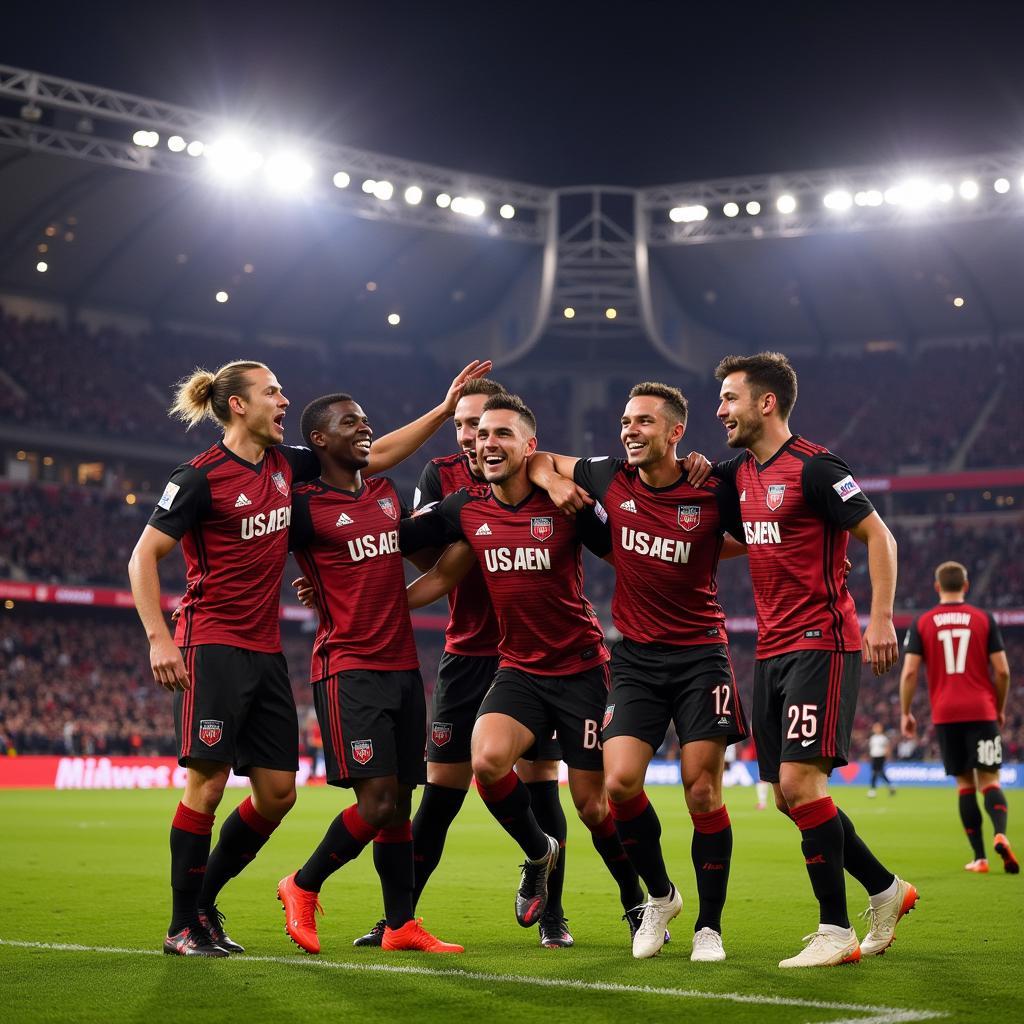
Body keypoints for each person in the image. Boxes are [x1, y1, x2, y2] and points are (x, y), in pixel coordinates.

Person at [128, 356, 490, 956]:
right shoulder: (197, 478)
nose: (284, 401)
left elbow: (374, 456)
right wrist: (157, 638)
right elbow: (144, 557)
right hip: (210, 642)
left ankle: (210, 905)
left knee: (277, 794)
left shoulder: (286, 466)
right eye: (273, 392)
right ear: (239, 404)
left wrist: (445, 409)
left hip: (266, 649)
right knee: (208, 785)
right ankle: (182, 924)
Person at [400, 393, 647, 942]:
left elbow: (631, 552)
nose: (486, 443)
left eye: (500, 434)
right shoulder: (463, 506)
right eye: (478, 433)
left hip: (579, 666)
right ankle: (538, 854)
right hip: (514, 667)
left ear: (530, 447)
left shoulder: (566, 504)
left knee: (590, 803)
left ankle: (637, 900)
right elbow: (401, 548)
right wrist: (337, 580)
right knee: (486, 762)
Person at [345, 378, 575, 949]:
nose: (472, 436)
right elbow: (417, 545)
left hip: (533, 656)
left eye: (483, 424)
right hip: (468, 652)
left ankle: (554, 916)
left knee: (541, 786)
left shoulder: (539, 473)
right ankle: (399, 917)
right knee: (440, 795)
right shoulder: (443, 481)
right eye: (463, 426)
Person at [525, 381, 746, 962]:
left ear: (676, 432)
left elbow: (766, 528)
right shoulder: (608, 476)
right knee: (619, 785)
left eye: (645, 422)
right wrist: (551, 481)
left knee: (702, 792)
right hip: (636, 661)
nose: (630, 430)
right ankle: (662, 895)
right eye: (626, 421)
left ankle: (709, 926)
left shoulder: (714, 489)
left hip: (702, 656)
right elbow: (542, 458)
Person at [714, 351, 917, 969]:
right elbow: (728, 536)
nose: (720, 410)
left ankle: (835, 930)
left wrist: (881, 617)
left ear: (765, 402)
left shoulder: (816, 467)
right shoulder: (739, 475)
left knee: (802, 784)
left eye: (729, 398)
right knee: (784, 794)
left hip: (820, 640)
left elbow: (879, 535)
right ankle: (885, 889)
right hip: (771, 650)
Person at [276, 393, 463, 955]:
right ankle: (301, 884)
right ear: (320, 441)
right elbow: (257, 553)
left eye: (365, 420)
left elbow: (387, 555)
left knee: (399, 802)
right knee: (378, 802)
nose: (364, 428)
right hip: (348, 668)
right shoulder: (301, 505)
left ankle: (401, 924)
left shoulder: (384, 497)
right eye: (349, 422)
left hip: (403, 666)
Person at [900, 560, 1016, 874]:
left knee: (965, 784)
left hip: (946, 714)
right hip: (982, 710)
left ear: (937, 587)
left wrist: (906, 712)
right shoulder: (983, 619)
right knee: (989, 780)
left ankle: (979, 858)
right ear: (965, 586)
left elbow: (910, 672)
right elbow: (1003, 671)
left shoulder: (922, 622)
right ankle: (1001, 833)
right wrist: (1000, 707)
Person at [867, 723, 895, 798]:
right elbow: (871, 748)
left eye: (878, 728)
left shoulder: (883, 738)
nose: (876, 729)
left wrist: (887, 756)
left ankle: (872, 791)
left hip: (881, 757)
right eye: (875, 728)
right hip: (874, 757)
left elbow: (887, 748)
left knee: (875, 773)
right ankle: (891, 786)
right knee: (880, 773)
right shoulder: (872, 738)